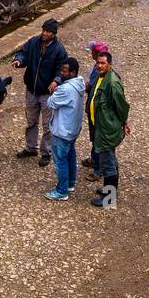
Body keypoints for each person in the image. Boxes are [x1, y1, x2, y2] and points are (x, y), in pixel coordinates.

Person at [12, 18, 68, 164]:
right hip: (31, 90)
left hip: (47, 94)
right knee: (31, 121)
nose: (44, 33)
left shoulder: (59, 50)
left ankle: (46, 151)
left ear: (53, 33)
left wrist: (56, 81)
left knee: (48, 125)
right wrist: (19, 60)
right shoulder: (33, 42)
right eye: (43, 30)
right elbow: (23, 53)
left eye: (47, 31)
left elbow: (61, 71)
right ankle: (31, 148)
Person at [88, 50, 130, 207]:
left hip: (107, 130)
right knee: (109, 160)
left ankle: (109, 199)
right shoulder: (100, 77)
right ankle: (108, 191)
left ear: (109, 65)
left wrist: (124, 122)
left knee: (108, 164)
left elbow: (122, 105)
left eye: (103, 63)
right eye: (98, 63)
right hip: (100, 127)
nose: (99, 66)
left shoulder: (112, 83)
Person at [44, 58, 86, 200]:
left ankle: (62, 191)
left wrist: (54, 91)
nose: (61, 73)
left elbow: (50, 103)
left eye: (64, 71)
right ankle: (70, 183)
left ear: (73, 72)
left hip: (63, 130)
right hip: (73, 128)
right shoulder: (79, 82)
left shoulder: (65, 89)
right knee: (70, 155)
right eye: (61, 70)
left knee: (60, 159)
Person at [83, 40, 107, 168]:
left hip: (97, 110)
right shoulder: (100, 66)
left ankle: (99, 166)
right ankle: (95, 159)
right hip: (94, 107)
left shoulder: (99, 70)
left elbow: (89, 87)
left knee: (97, 137)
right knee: (95, 136)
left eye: (92, 51)